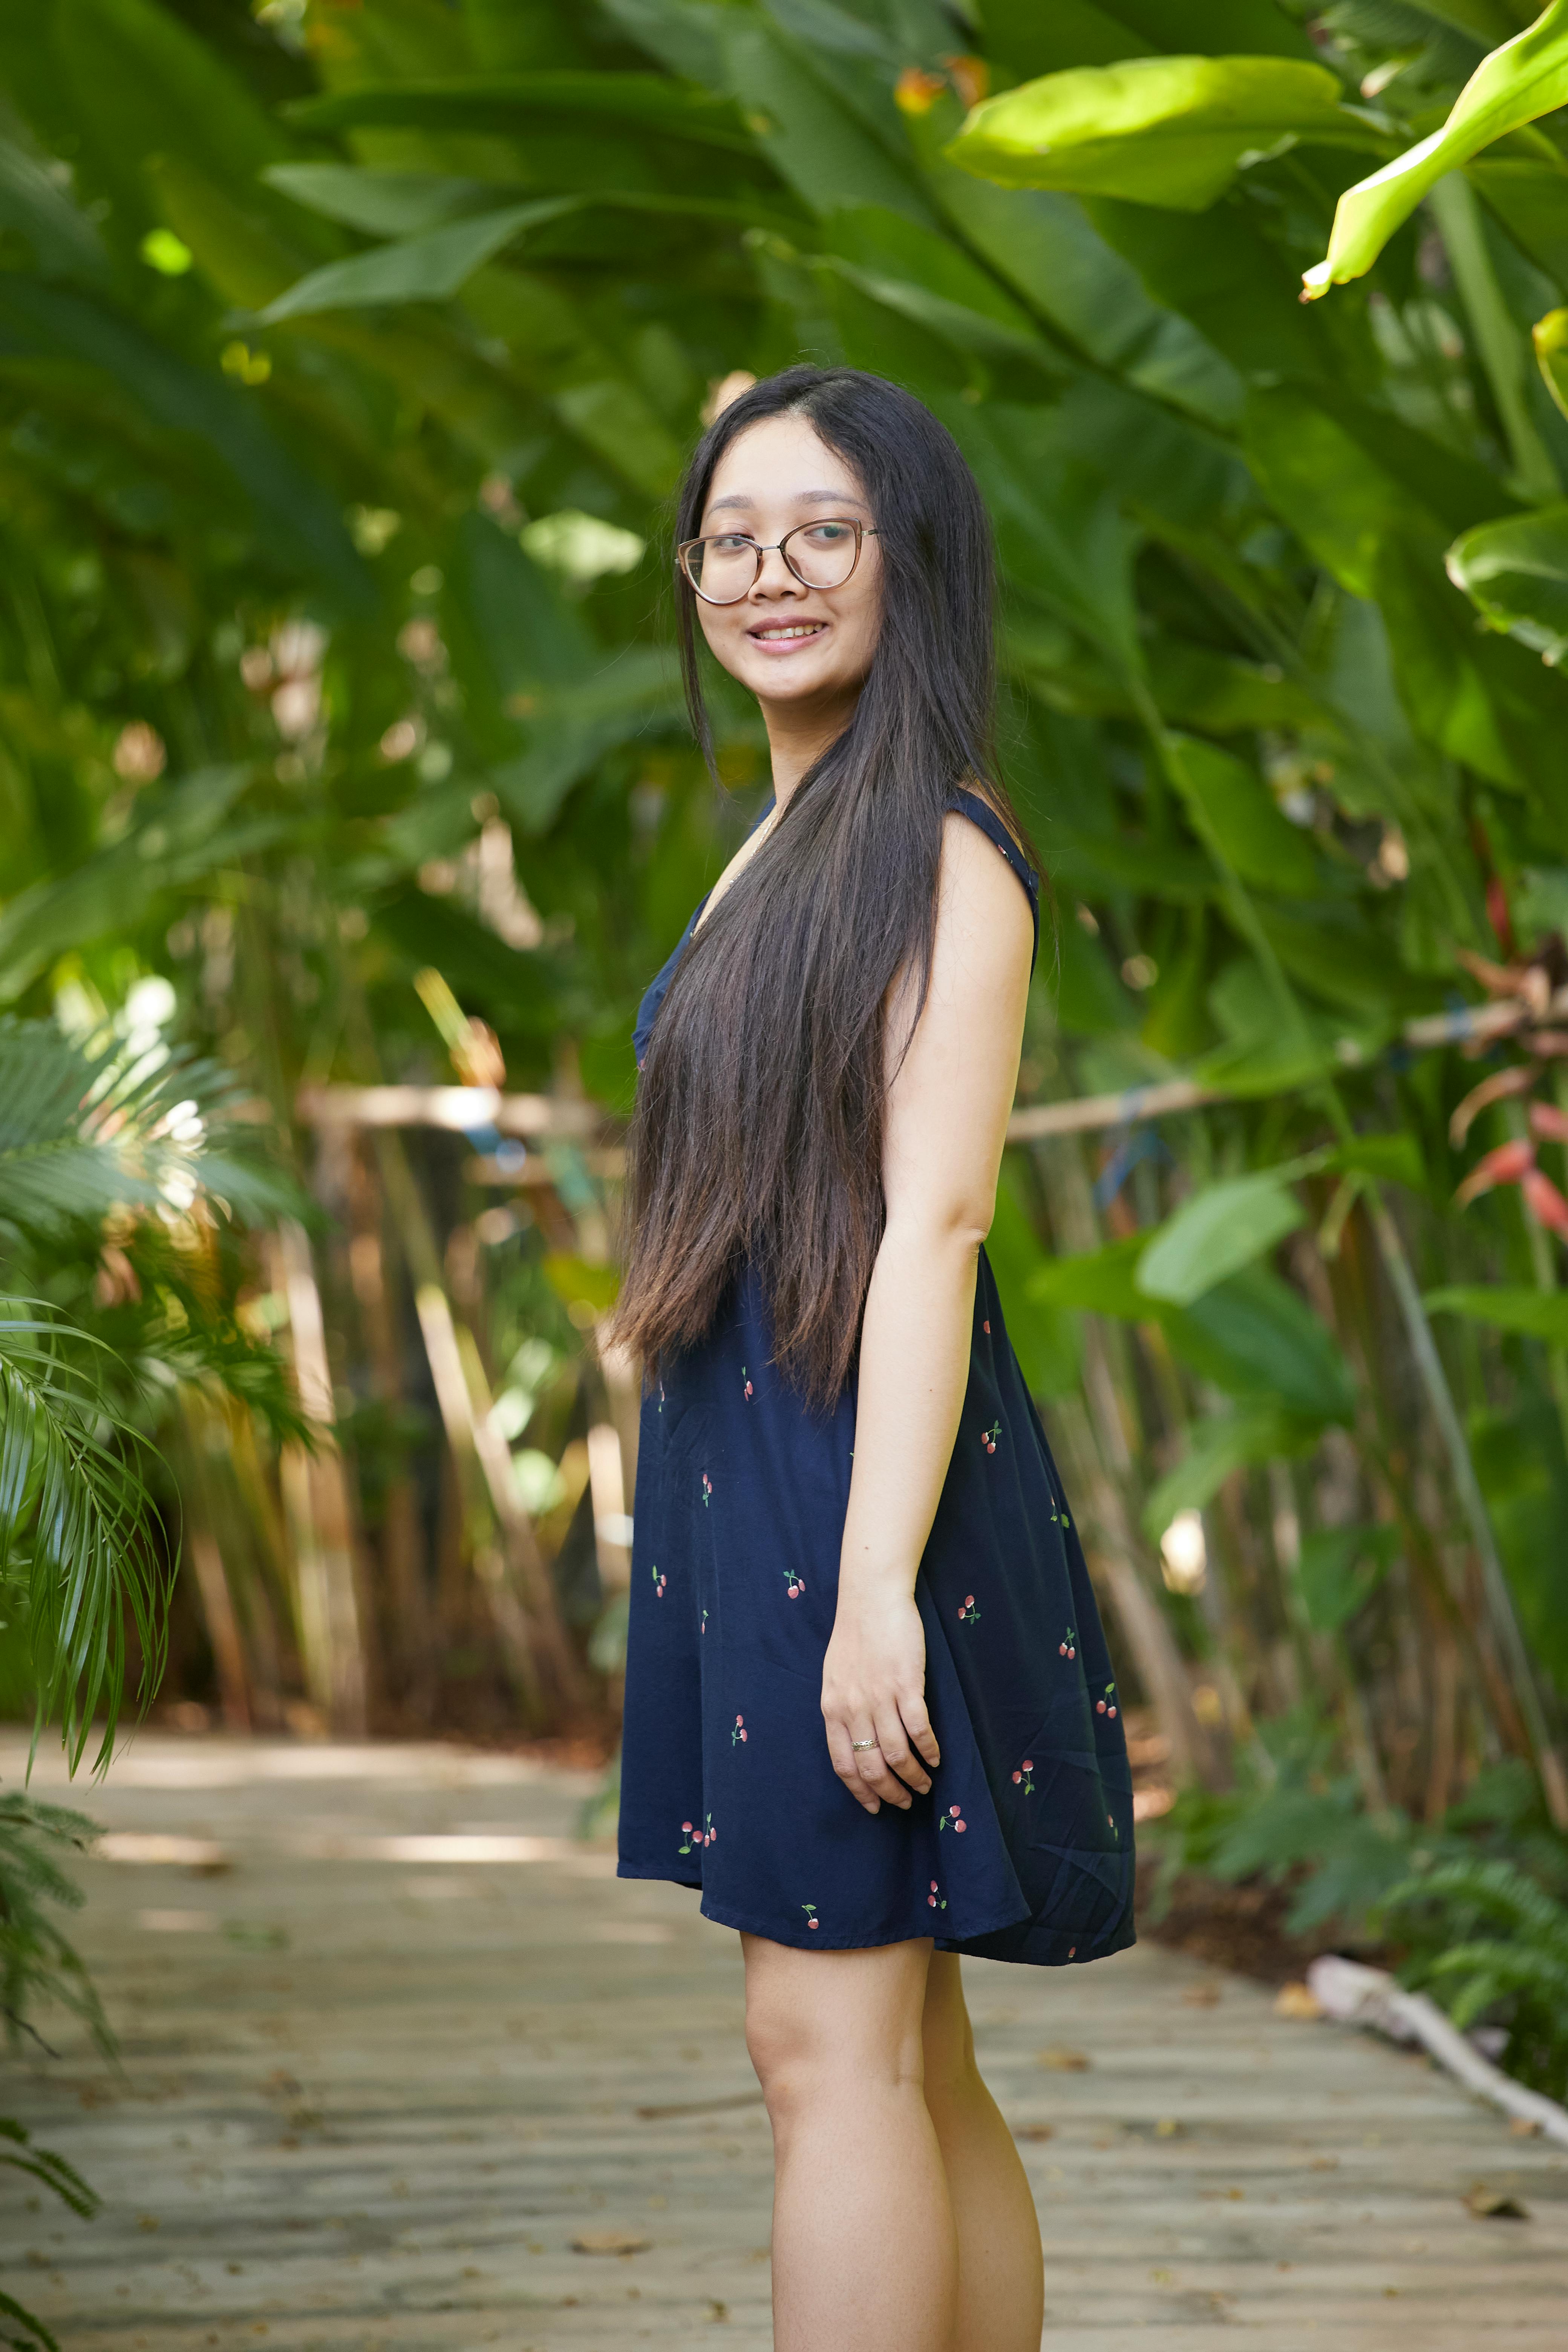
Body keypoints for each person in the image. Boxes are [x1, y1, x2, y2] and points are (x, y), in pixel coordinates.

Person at [610, 365, 1133, 2352]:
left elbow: (937, 1222)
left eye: (821, 531)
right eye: (732, 538)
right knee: (902, 2046)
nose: (769, 573)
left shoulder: (937, 850)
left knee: (820, 2049)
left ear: (914, 561)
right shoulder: (801, 833)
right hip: (791, 1474)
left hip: (864, 1491)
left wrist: (876, 1598)